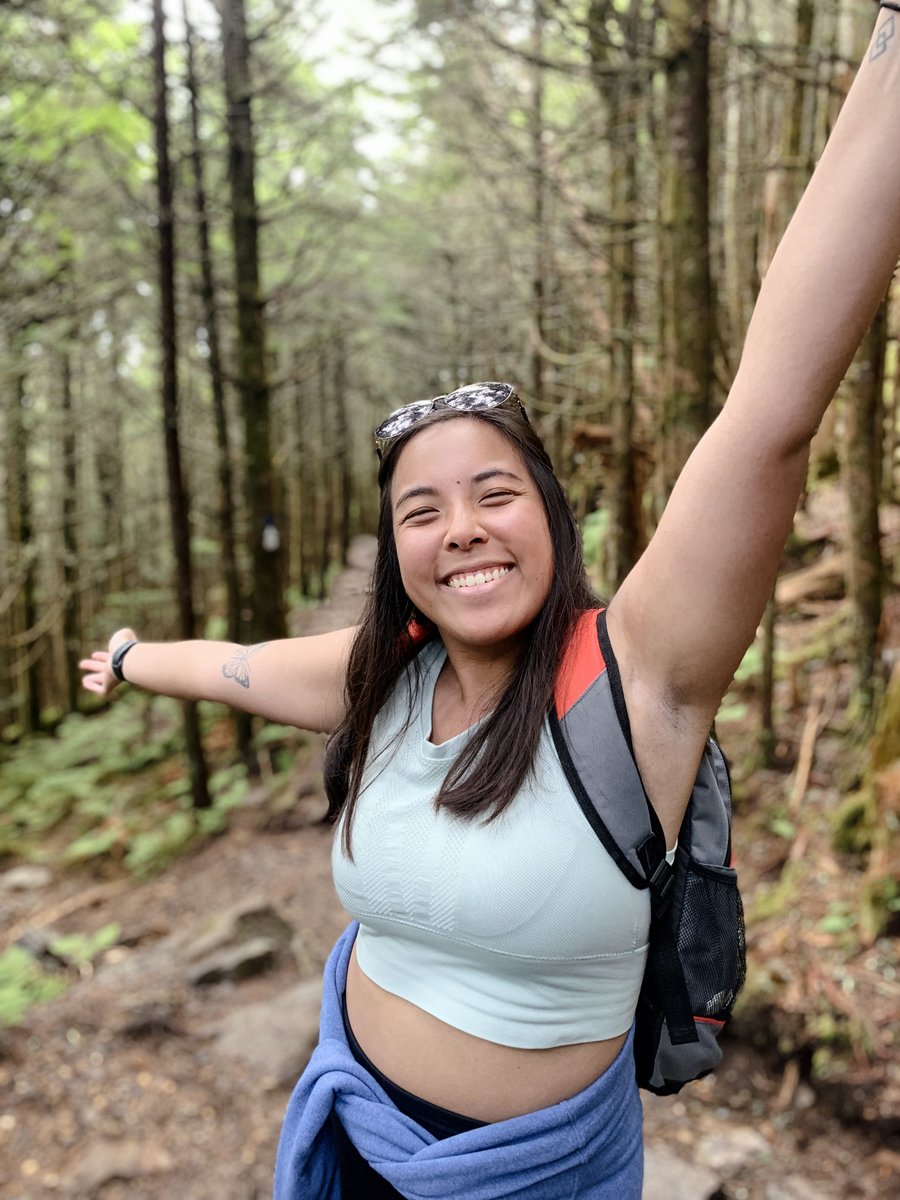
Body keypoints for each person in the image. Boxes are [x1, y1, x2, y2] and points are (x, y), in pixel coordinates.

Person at [80, 8, 900, 1198]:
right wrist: (132, 653)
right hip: (354, 1126)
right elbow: (237, 665)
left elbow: (770, 415)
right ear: (397, 551)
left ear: (553, 521)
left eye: (493, 493)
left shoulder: (634, 681)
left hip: (532, 1175)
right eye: (421, 511)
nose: (458, 527)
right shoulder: (384, 679)